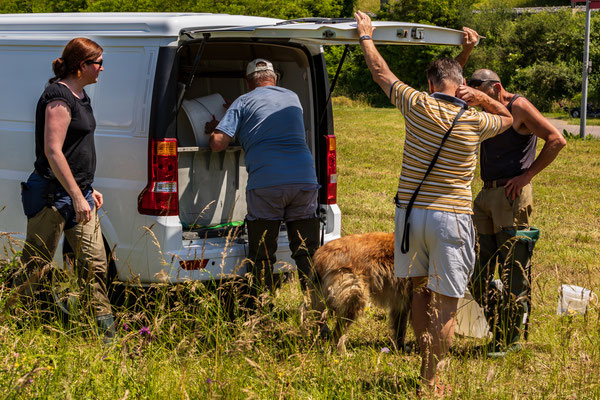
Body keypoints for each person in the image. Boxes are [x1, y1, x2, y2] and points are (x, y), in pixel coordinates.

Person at [354, 11, 513, 393]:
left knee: (421, 292)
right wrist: (480, 97)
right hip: (451, 218)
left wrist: (366, 37)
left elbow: (382, 74)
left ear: (429, 85)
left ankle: (424, 364)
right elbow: (507, 117)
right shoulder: (475, 121)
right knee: (446, 301)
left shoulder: (418, 106)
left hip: (411, 217)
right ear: (462, 88)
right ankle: (433, 380)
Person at [458, 33, 567, 355]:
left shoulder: (518, 106)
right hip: (486, 193)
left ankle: (512, 339)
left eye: (477, 96)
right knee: (477, 271)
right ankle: (499, 325)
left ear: (495, 88)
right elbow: (451, 85)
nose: (473, 102)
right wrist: (466, 50)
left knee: (513, 270)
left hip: (511, 194)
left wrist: (526, 176)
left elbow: (557, 140)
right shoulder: (484, 103)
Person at [14, 37, 115, 343]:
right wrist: (75, 194)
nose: (101, 69)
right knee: (36, 265)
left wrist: (88, 188)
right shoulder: (58, 96)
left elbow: (77, 149)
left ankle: (106, 337)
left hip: (78, 194)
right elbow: (53, 151)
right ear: (81, 65)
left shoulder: (81, 96)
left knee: (95, 264)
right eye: (98, 63)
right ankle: (9, 319)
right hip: (52, 196)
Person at [205, 58, 320, 307]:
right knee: (307, 251)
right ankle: (316, 309)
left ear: (248, 82)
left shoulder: (243, 101)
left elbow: (217, 144)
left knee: (262, 255)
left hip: (268, 184)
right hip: (304, 180)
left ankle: (262, 310)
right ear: (275, 78)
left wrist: (221, 123)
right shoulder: (292, 97)